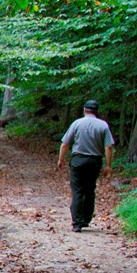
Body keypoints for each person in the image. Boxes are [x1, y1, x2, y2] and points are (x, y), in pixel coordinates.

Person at [58, 99, 114, 232]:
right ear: (96, 111)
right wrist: (108, 165)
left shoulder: (77, 123)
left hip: (78, 160)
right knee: (89, 190)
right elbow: (109, 146)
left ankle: (77, 222)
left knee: (77, 190)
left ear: (84, 110)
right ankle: (86, 219)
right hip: (94, 161)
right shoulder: (103, 125)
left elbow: (65, 143)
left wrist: (61, 159)